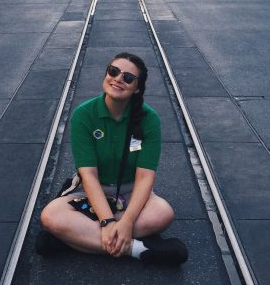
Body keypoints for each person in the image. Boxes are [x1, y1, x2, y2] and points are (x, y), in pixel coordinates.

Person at [37, 52, 188, 266]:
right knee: (50, 215)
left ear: (137, 88)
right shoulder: (84, 115)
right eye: (113, 71)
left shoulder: (149, 119)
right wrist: (107, 222)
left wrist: (126, 222)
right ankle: (139, 249)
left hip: (130, 191)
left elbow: (145, 177)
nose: (118, 78)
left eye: (128, 78)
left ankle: (72, 239)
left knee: (163, 213)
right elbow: (88, 175)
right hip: (92, 190)